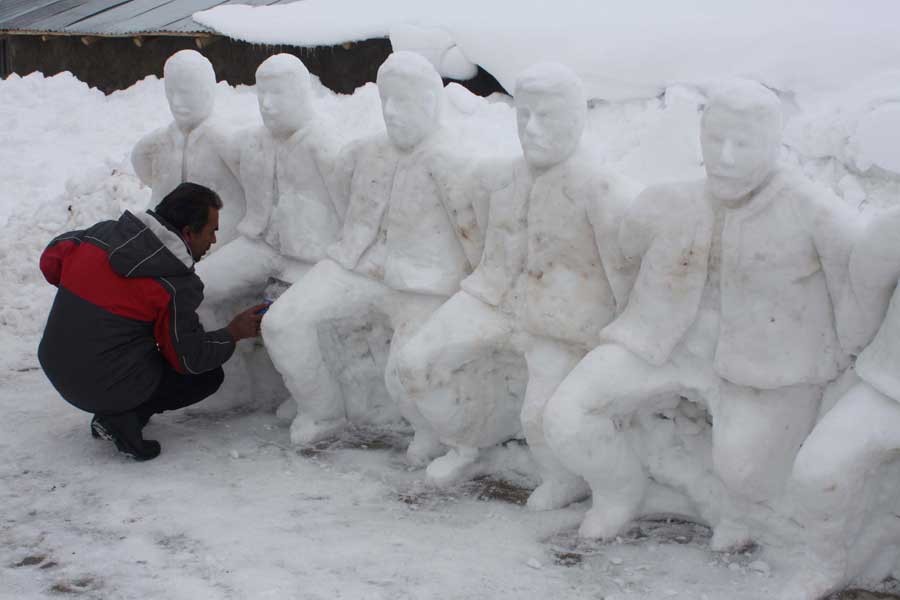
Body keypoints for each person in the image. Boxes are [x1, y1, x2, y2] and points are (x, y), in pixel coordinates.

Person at [542, 79, 860, 547]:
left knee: (745, 470)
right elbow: (624, 262)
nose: (725, 156)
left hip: (760, 369)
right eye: (715, 140)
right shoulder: (667, 203)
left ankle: (733, 508)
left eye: (742, 144)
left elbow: (857, 293)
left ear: (773, 145)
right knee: (566, 414)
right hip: (661, 344)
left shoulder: (817, 216)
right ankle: (620, 492)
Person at [393, 62, 639, 508]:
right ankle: (466, 444)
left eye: (548, 117)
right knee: (416, 361)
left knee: (539, 416)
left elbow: (623, 272)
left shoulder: (601, 189)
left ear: (576, 120)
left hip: (560, 321)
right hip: (494, 296)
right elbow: (481, 236)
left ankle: (567, 478)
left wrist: (615, 335)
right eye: (524, 115)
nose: (533, 129)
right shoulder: (501, 176)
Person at [262, 52, 482, 461]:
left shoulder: (455, 164)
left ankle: (437, 435)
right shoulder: (362, 153)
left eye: (405, 102)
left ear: (431, 104)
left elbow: (475, 237)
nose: (393, 113)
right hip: (357, 264)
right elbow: (341, 200)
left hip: (422, 284)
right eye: (387, 102)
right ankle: (322, 410)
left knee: (403, 372)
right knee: (281, 322)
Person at [38, 182, 265, 461]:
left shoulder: (101, 234)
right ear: (188, 233)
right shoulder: (174, 285)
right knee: (206, 378)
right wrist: (233, 332)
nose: (214, 241)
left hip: (52, 361)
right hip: (98, 386)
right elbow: (189, 359)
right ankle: (122, 418)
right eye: (212, 231)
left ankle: (115, 405)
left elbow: (50, 260)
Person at [131, 50, 246, 247]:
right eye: (171, 92)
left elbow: (253, 186)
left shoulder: (224, 140)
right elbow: (140, 161)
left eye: (185, 94)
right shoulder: (160, 141)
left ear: (207, 92)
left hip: (217, 239)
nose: (176, 102)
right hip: (164, 236)